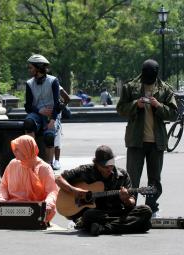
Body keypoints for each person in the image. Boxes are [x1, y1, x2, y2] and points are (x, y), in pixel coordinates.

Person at [116, 59, 177, 217]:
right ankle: (131, 206)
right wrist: (136, 104)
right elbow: (121, 108)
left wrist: (159, 106)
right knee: (132, 177)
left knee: (154, 179)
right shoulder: (131, 87)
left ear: (156, 74)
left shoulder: (165, 89)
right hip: (136, 141)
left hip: (157, 142)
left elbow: (173, 113)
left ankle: (151, 208)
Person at [56, 145, 152, 236]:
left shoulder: (122, 175)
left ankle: (103, 229)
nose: (109, 169)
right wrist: (74, 191)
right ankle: (131, 225)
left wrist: (126, 199)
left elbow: (131, 202)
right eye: (105, 166)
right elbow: (59, 179)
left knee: (146, 210)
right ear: (96, 164)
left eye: (110, 165)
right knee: (88, 215)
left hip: (115, 212)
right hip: (97, 213)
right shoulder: (85, 170)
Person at [0, 135, 59, 223]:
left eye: (18, 149)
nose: (14, 152)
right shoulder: (13, 164)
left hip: (36, 207)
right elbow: (4, 186)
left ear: (27, 149)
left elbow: (52, 191)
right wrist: (1, 199)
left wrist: (48, 204)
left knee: (48, 210)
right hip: (13, 206)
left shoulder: (44, 168)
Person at [24, 54, 61, 166]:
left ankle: (48, 166)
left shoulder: (53, 81)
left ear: (38, 68)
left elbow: (57, 103)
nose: (29, 70)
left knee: (49, 137)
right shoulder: (29, 83)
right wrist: (40, 110)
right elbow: (28, 106)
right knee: (28, 123)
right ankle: (32, 160)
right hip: (36, 114)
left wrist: (53, 120)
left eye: (31, 67)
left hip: (51, 116)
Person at [53, 86, 71, 170]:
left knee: (56, 139)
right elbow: (67, 98)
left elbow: (67, 98)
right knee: (56, 139)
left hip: (53, 115)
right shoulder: (54, 83)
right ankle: (55, 161)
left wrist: (61, 107)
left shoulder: (56, 85)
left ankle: (56, 161)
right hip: (52, 115)